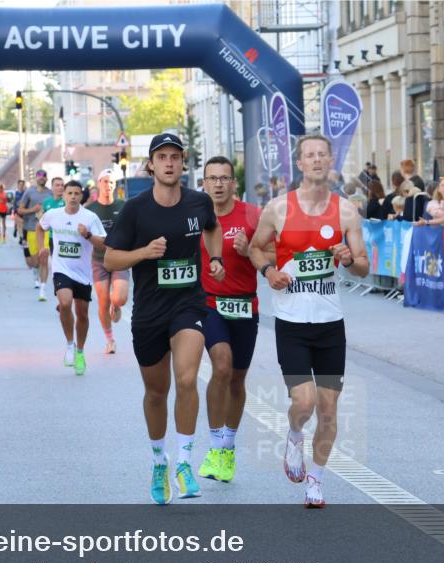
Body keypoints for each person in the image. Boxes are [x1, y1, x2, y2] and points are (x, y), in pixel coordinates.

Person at [248, 134, 370, 508]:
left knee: (329, 410)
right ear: (299, 164)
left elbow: (364, 267)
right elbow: (255, 247)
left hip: (331, 324)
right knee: (304, 402)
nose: (316, 160)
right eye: (309, 156)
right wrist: (269, 271)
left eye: (322, 155)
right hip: (292, 323)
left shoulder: (346, 211)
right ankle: (295, 433)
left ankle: (315, 480)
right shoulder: (278, 209)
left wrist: (348, 258)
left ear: (331, 160)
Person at [104, 133, 225, 505]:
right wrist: (143, 252)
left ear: (182, 162)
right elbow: (110, 260)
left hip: (188, 303)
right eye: (162, 157)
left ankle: (185, 463)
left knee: (187, 377)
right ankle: (160, 461)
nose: (170, 163)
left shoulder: (199, 201)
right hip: (150, 312)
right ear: (152, 165)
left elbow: (212, 228)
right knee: (157, 393)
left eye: (175, 156)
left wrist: (215, 258)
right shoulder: (136, 209)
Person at [197, 156, 263, 485]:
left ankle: (227, 446)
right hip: (209, 304)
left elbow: (276, 254)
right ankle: (213, 444)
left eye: (225, 178)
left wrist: (250, 249)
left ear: (234, 184)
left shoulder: (252, 214)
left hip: (245, 305)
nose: (219, 184)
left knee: (237, 380)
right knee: (220, 365)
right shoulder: (195, 214)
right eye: (213, 178)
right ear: (204, 183)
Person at [37, 180, 106, 376]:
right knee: (65, 303)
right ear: (64, 195)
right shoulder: (54, 215)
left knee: (82, 314)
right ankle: (69, 343)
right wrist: (42, 247)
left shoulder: (90, 217)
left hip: (83, 273)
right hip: (62, 269)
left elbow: (103, 244)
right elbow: (41, 227)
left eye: (77, 193)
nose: (73, 197)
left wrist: (88, 235)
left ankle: (80, 352)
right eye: (70, 193)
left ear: (81, 196)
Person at [85, 169, 129, 354]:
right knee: (102, 301)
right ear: (99, 183)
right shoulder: (90, 209)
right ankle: (110, 340)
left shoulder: (124, 205)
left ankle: (116, 304)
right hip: (98, 260)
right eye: (105, 182)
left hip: (119, 258)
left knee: (119, 297)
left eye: (111, 182)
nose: (108, 185)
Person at [17, 169, 53, 300]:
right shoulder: (29, 192)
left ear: (46, 179)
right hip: (31, 229)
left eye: (44, 176)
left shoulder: (50, 193)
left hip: (45, 230)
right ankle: (35, 269)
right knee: (34, 261)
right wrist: (33, 209)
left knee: (43, 258)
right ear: (36, 178)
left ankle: (42, 289)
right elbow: (20, 210)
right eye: (39, 176)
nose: (42, 178)